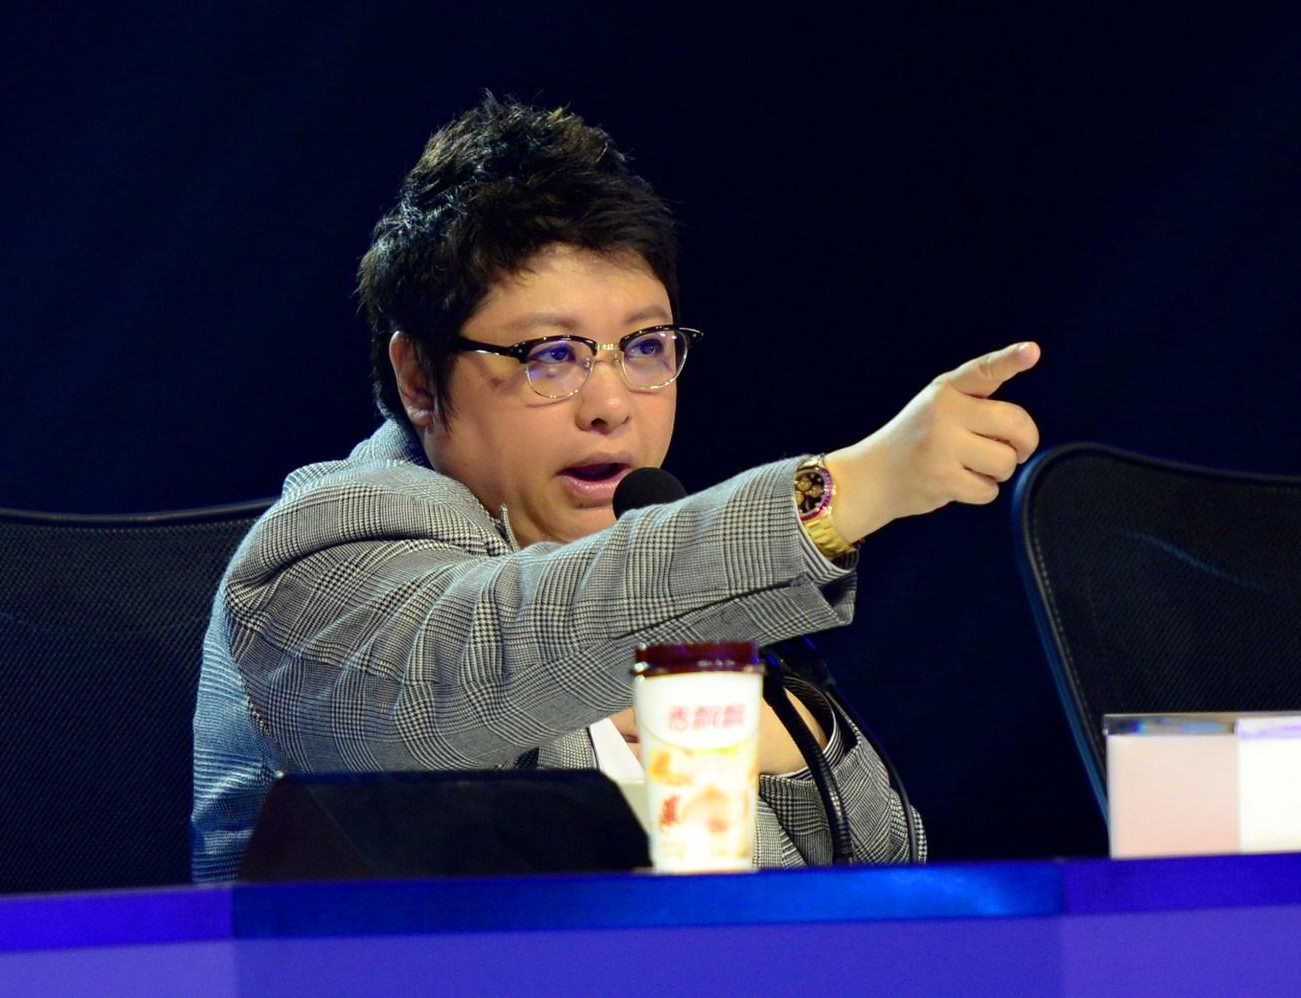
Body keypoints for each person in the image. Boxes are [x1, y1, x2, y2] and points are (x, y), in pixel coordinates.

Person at [191, 97, 1040, 881]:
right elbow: (465, 674)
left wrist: (792, 735)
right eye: (551, 355)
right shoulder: (322, 548)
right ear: (419, 378)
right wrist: (840, 494)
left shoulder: (652, 571)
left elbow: (885, 862)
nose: (611, 405)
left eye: (644, 347)